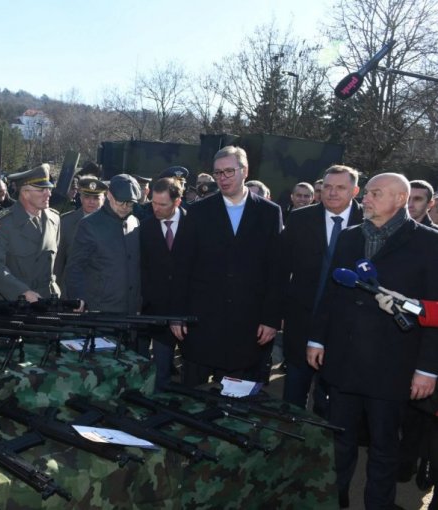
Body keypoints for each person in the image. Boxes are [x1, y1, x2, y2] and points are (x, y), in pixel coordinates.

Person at [306, 173, 438, 509]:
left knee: (384, 447)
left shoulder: (428, 242)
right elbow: (331, 292)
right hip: (344, 361)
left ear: (400, 199)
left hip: (392, 366)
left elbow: (434, 311)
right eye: (367, 193)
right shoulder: (351, 236)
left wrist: (427, 369)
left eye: (375, 193)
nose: (366, 198)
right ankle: (334, 501)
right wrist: (317, 339)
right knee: (340, 441)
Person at [177, 146, 283, 387]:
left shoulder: (269, 213)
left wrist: (271, 319)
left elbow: (275, 270)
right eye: (217, 173)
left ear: (245, 171)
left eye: (228, 172)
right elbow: (183, 265)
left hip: (248, 327)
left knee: (237, 404)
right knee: (193, 399)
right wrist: (177, 316)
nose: (222, 179)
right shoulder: (197, 212)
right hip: (202, 324)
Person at [279, 165, 363, 412]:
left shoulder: (369, 224)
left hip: (346, 330)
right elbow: (281, 269)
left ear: (355, 190)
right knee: (293, 395)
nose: (332, 193)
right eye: (327, 187)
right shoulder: (300, 218)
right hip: (301, 322)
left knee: (333, 405)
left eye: (340, 187)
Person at [0, 163, 60, 302]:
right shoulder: (3, 222)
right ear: (25, 193)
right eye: (42, 189)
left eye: (49, 188)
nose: (48, 193)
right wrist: (22, 292)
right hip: (16, 302)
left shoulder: (54, 219)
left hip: (49, 300)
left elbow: (59, 265)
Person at [66, 174, 141, 314]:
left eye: (130, 203)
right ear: (109, 195)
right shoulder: (89, 224)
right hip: (101, 309)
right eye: (121, 202)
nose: (125, 207)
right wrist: (78, 298)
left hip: (130, 309)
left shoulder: (134, 222)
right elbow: (75, 267)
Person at [140, 177, 187, 392]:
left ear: (178, 202)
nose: (156, 209)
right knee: (161, 372)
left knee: (192, 375)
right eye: (153, 203)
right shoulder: (145, 228)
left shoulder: (195, 224)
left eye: (162, 204)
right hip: (157, 314)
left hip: (189, 314)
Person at [54, 175, 107, 296]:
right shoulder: (66, 222)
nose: (91, 202)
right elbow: (59, 262)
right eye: (87, 197)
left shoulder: (111, 223)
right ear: (81, 197)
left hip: (101, 292)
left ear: (103, 199)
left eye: (96, 198)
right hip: (72, 291)